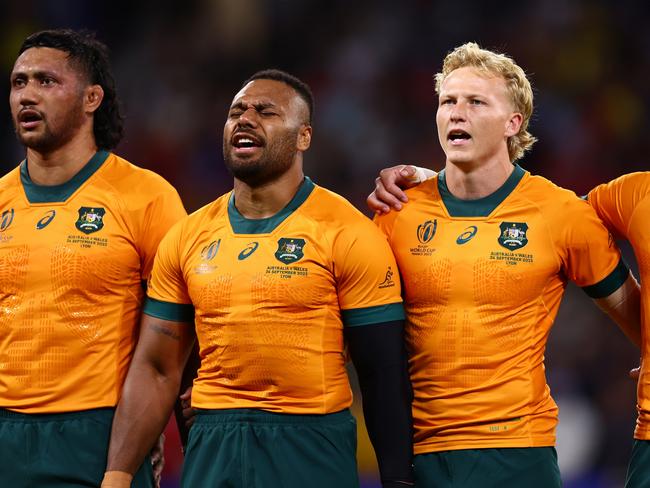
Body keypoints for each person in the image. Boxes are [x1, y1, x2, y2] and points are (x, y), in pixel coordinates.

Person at [100, 69, 414, 488]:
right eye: (236, 112)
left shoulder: (349, 232)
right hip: (214, 442)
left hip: (309, 443)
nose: (245, 119)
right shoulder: (188, 236)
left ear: (304, 137)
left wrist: (398, 480)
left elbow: (382, 374)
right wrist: (118, 474)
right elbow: (158, 367)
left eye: (266, 111)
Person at [366, 42, 641, 487]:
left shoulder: (560, 213)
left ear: (514, 123)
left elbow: (630, 306)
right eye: (448, 101)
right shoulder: (397, 211)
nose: (457, 112)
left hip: (518, 453)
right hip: (419, 453)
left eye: (476, 102)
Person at [0, 29, 186, 487]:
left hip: (100, 436)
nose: (27, 94)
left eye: (46, 81)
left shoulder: (147, 197)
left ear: (91, 98)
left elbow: (185, 334)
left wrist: (148, 433)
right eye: (18, 82)